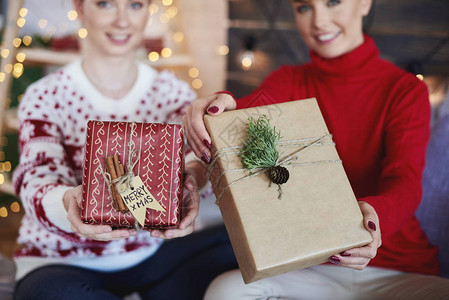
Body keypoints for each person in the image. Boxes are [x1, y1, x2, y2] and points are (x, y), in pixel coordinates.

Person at [183, 0, 449, 298]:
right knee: (226, 290)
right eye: (304, 7)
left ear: (364, 3)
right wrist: (219, 106)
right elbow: (244, 115)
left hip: (398, 270)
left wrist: (375, 217)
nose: (319, 21)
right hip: (312, 266)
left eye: (333, 2)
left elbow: (405, 181)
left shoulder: (404, 90)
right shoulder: (289, 81)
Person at [12, 0, 236, 299]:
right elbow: (35, 179)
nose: (122, 21)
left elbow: (195, 160)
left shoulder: (172, 92)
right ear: (80, 8)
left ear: (148, 10)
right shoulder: (46, 95)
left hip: (153, 255)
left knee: (235, 245)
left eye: (134, 5)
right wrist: (68, 200)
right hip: (64, 262)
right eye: (105, 3)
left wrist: (194, 177)